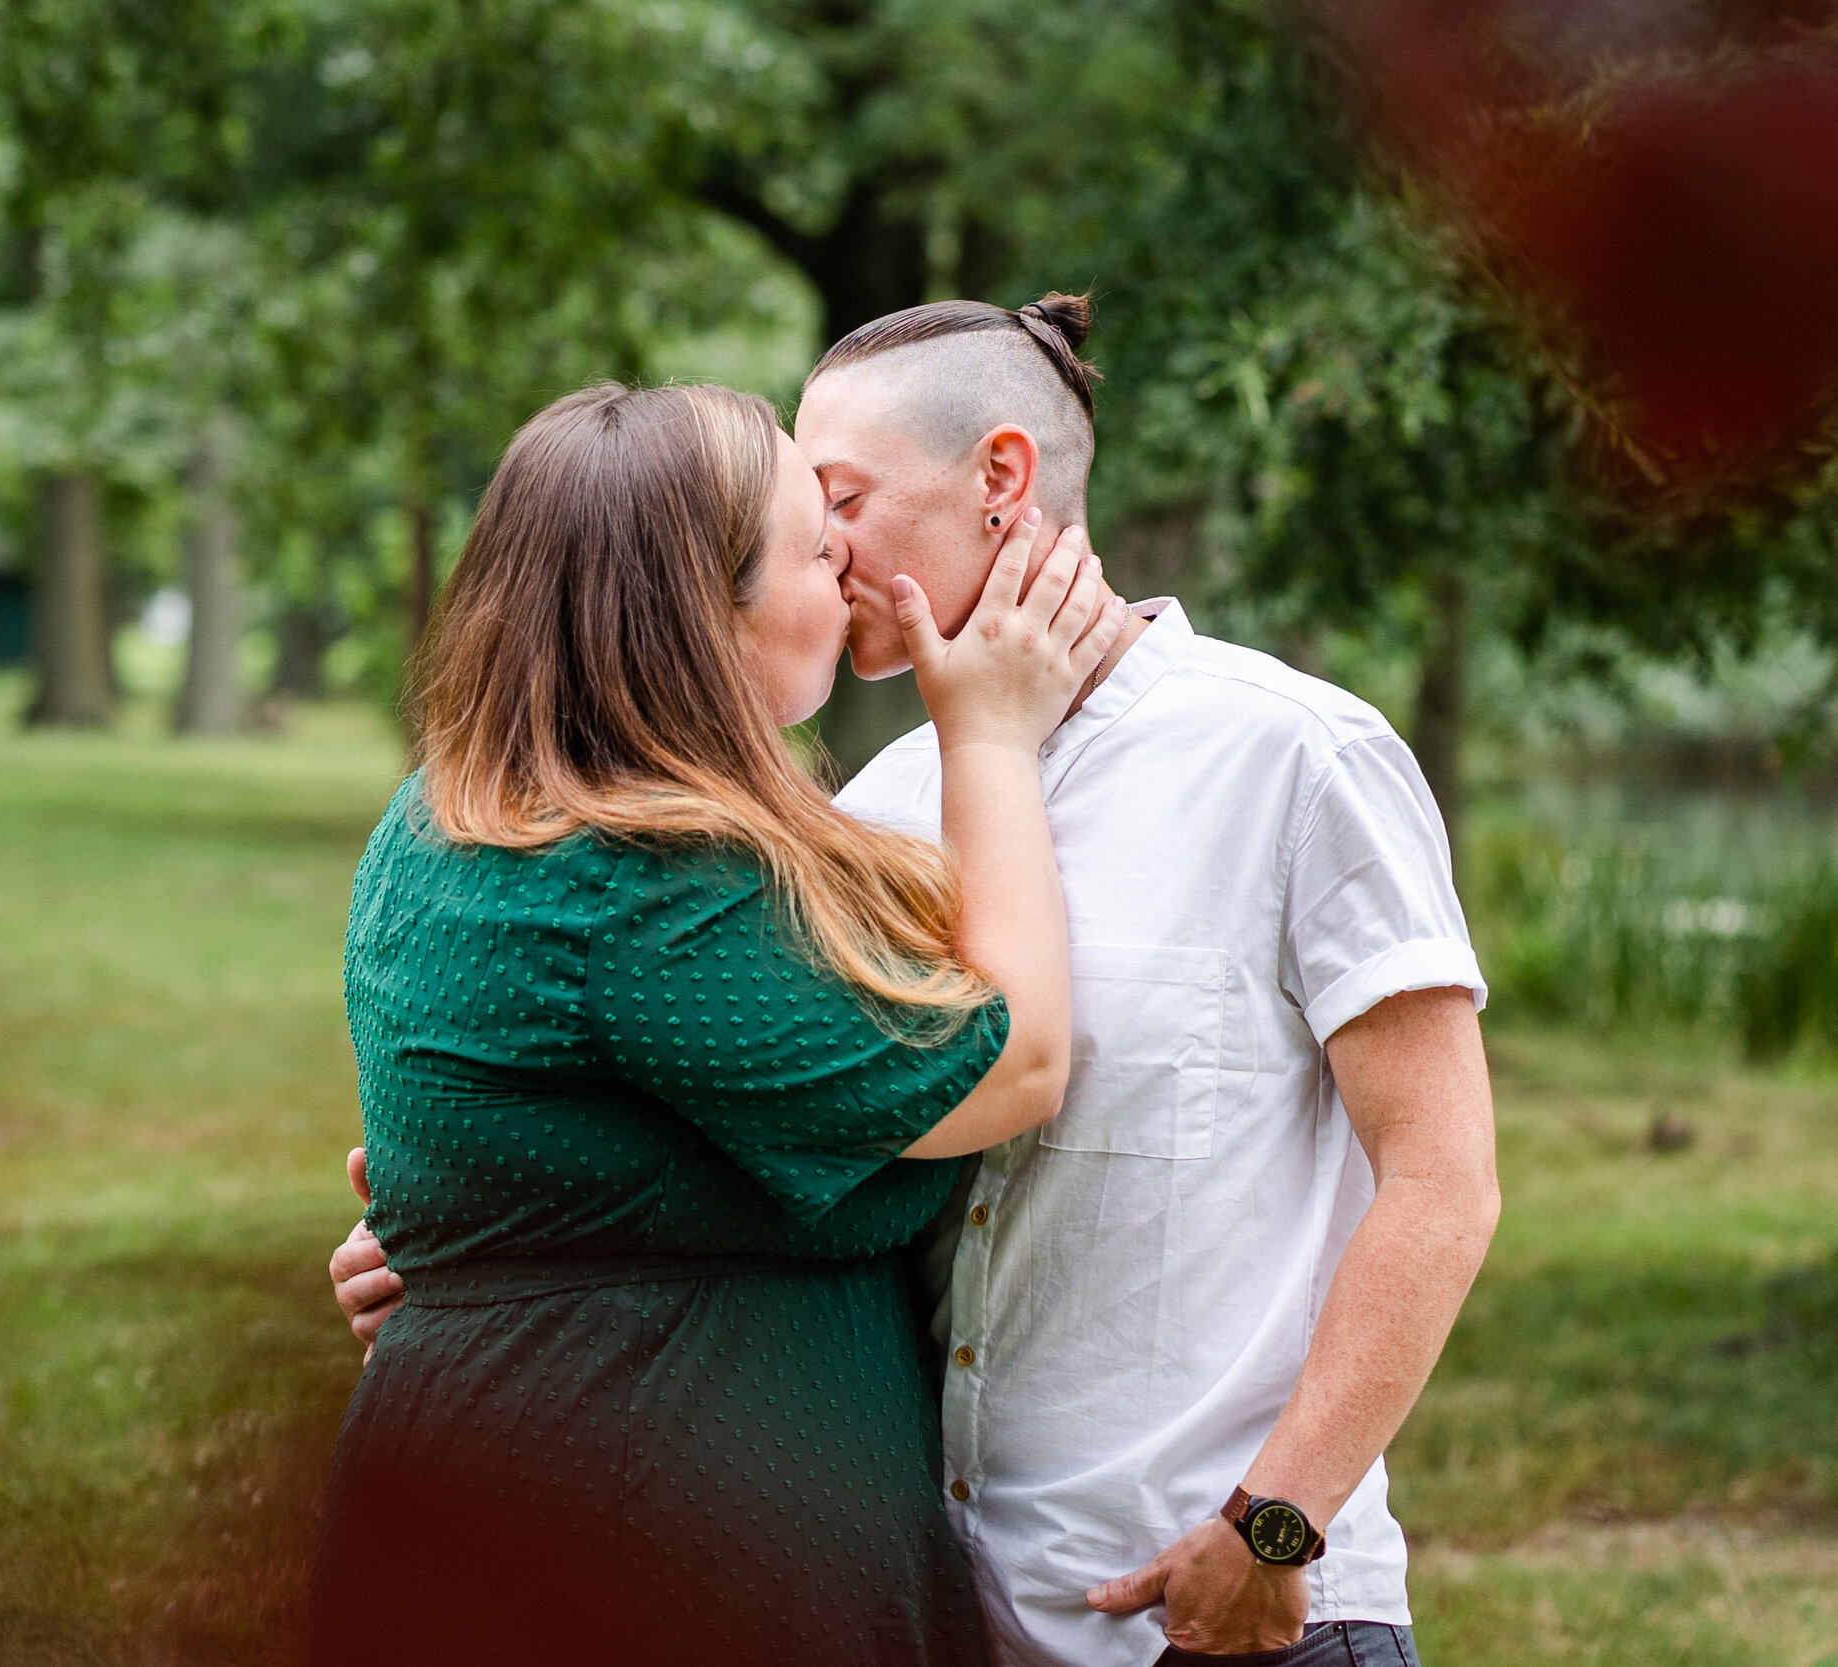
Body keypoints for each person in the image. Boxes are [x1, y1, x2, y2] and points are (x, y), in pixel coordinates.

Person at [333, 298, 1501, 1667]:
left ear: (1000, 482)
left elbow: (1444, 1182)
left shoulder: (1297, 757)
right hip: (956, 1608)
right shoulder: (874, 812)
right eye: (804, 521)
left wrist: (1277, 1526)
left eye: (844, 503)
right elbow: (812, 1157)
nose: (826, 550)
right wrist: (513, 1252)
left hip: (1237, 1615)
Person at [306, 379, 1124, 1667]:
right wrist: (994, 740)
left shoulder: (450, 815)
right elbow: (1015, 1062)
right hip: (646, 1538)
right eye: (816, 539)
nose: (849, 557)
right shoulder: (640, 876)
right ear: (706, 613)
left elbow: (567, 1169)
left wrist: (469, 1254)